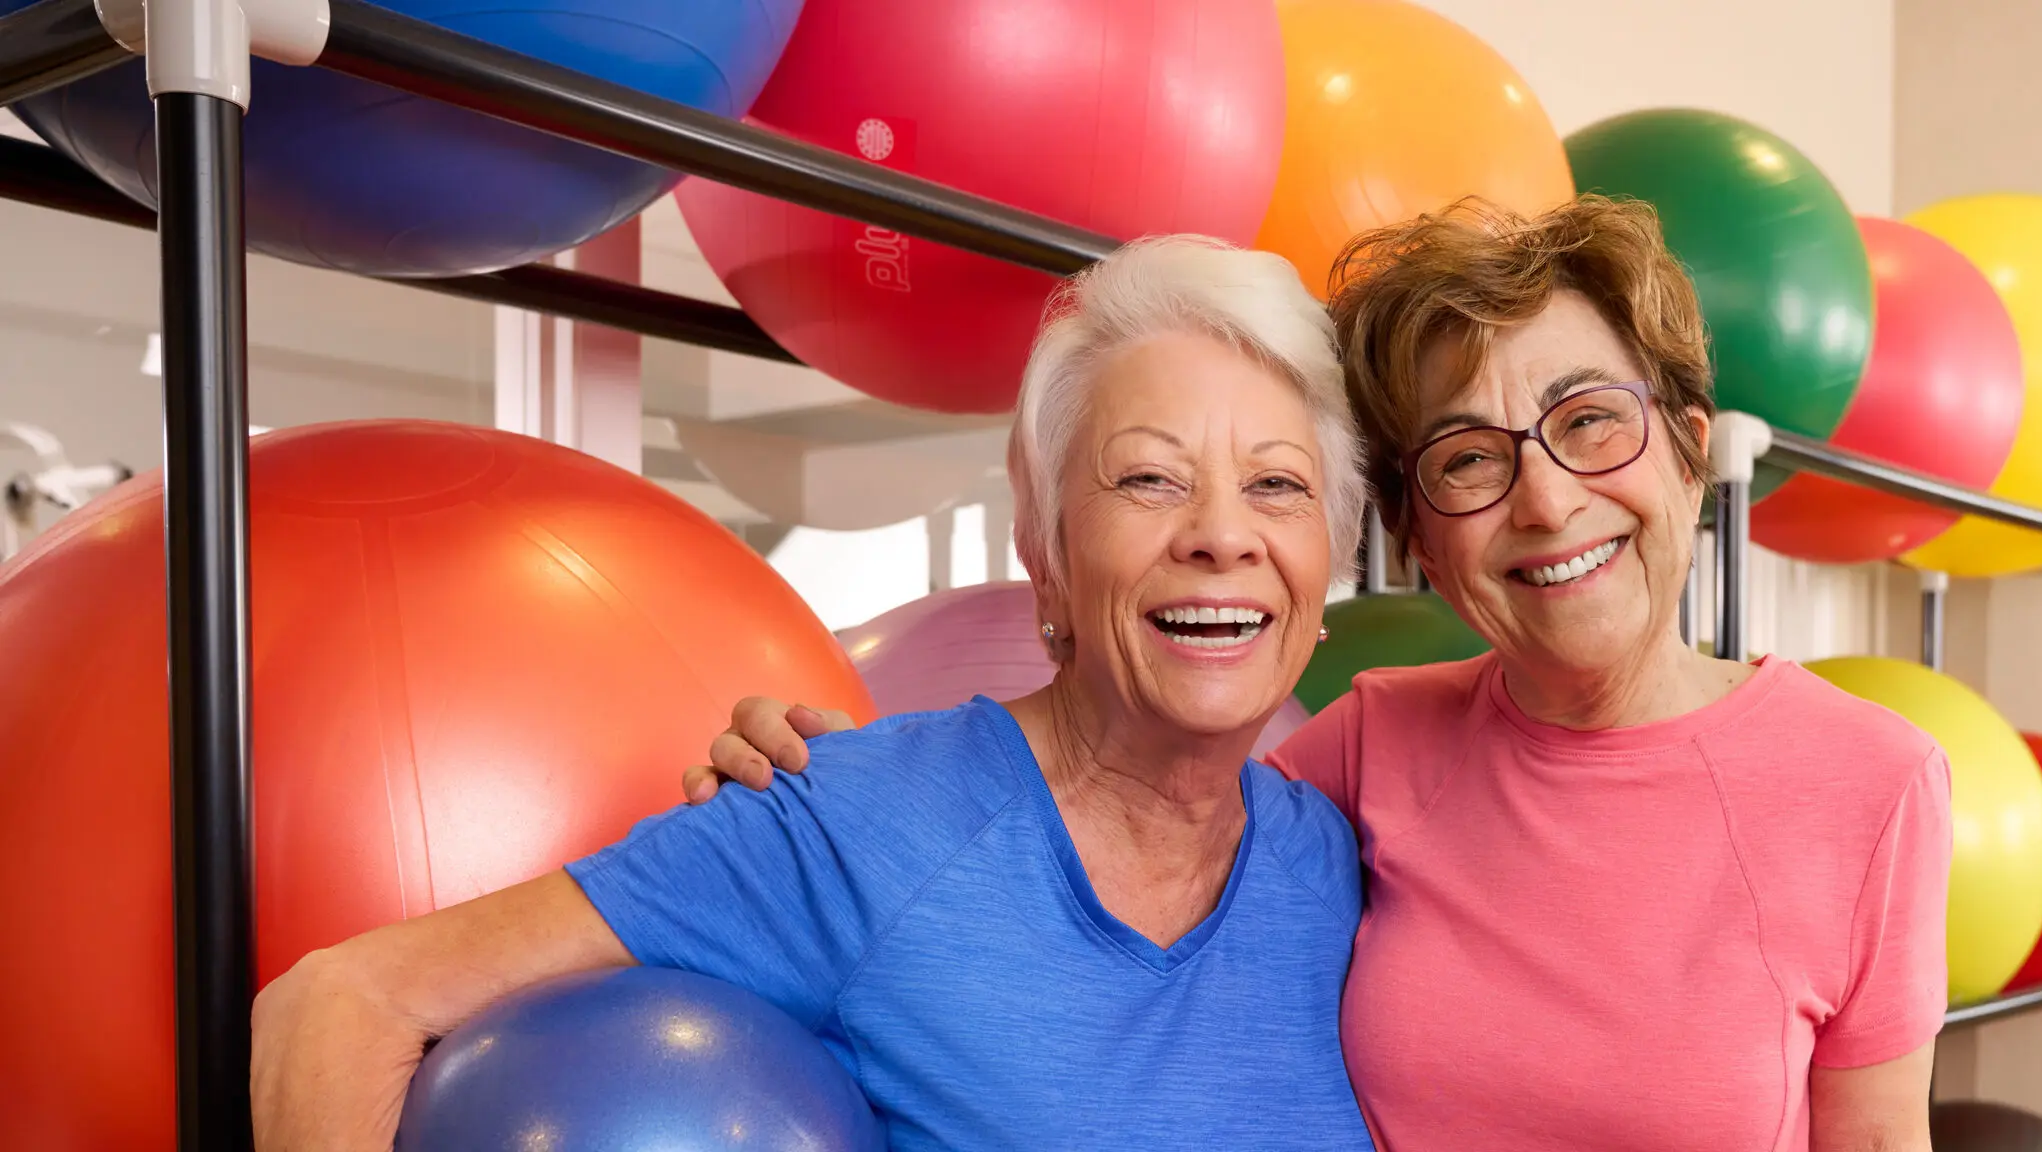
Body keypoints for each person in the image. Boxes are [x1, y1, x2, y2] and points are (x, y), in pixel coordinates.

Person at [705, 196, 1951, 1152]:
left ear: (1686, 452)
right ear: (1419, 539)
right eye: (1469, 459)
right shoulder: (1368, 743)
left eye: (1588, 422)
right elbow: (1105, 826)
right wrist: (830, 790)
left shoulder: (1873, 783)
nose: (1547, 499)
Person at [248, 235, 1379, 1151]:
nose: (1223, 535)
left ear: (1325, 557)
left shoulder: (1337, 863)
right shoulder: (853, 817)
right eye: (1149, 478)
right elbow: (342, 1002)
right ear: (1046, 550)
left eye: (1278, 486)